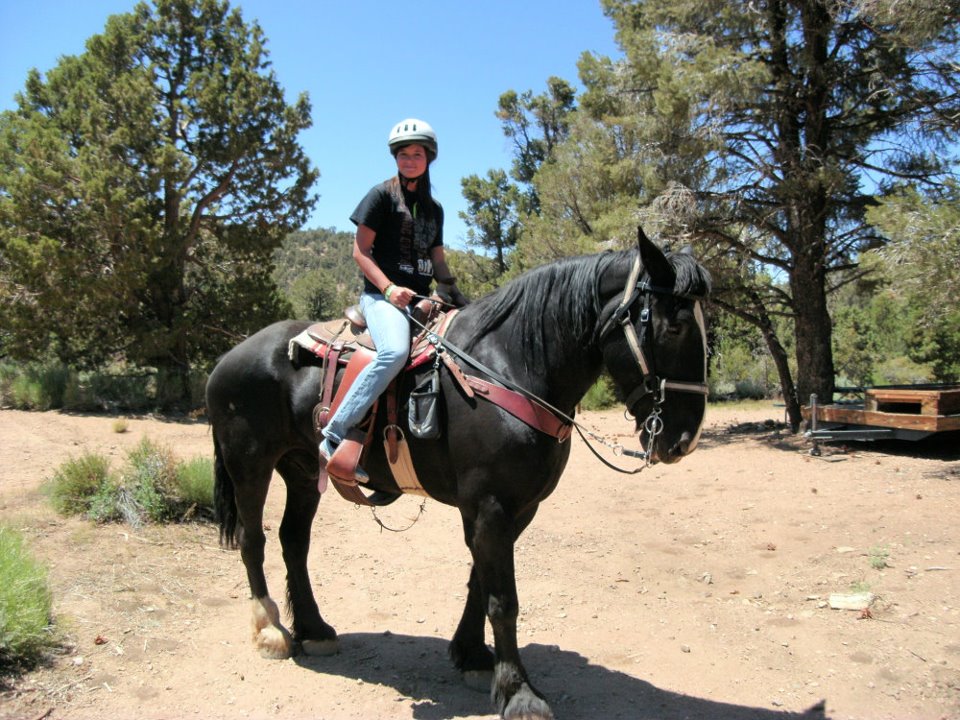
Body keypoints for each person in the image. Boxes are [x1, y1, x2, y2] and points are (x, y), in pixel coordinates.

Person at [320, 118, 466, 482]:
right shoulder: (380, 196)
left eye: (417, 154)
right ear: (395, 158)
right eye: (404, 154)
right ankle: (334, 435)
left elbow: (438, 259)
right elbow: (359, 251)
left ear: (428, 158)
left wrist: (453, 291)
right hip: (381, 298)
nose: (410, 160)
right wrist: (387, 289)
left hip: (420, 298)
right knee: (394, 353)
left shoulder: (435, 209)